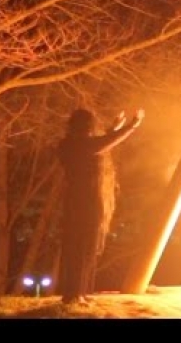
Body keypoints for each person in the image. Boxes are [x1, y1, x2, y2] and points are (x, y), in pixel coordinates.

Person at [57, 108, 144, 304]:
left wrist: (115, 127)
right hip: (86, 202)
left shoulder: (69, 144)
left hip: (77, 201)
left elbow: (99, 143)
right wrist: (131, 126)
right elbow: (103, 143)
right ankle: (74, 294)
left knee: (84, 248)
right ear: (86, 126)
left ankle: (79, 292)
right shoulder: (78, 145)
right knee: (82, 248)